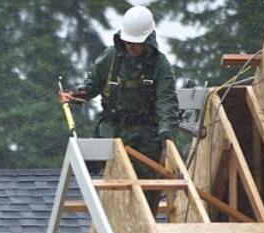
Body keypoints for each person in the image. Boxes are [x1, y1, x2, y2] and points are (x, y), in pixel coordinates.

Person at [61, 5, 181, 212]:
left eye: (137, 43)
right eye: (128, 42)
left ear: (147, 41)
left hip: (146, 135)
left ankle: (143, 228)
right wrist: (78, 94)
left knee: (146, 190)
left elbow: (166, 102)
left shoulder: (160, 66)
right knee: (112, 185)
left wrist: (167, 136)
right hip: (113, 129)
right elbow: (93, 83)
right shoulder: (111, 58)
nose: (131, 47)